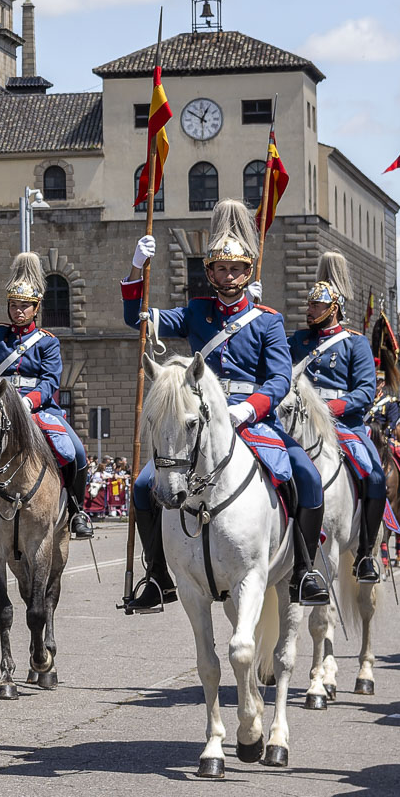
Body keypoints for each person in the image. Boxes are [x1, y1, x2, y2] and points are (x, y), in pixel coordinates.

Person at [121, 200, 331, 612]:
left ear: (248, 271)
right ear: (210, 272)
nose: (229, 276)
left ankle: (304, 570)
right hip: (198, 419)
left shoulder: (266, 320)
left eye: (236, 269)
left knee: (304, 474)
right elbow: (139, 321)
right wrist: (134, 270)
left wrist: (247, 409)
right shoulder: (197, 311)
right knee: (144, 487)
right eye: (221, 268)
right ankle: (158, 575)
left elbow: (278, 380)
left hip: (251, 420)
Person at [0, 252, 96, 539]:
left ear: (36, 308)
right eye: (14, 306)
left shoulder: (48, 342)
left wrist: (29, 401)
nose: (19, 311)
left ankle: (77, 510)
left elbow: (51, 381)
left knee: (71, 449)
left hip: (36, 410)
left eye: (25, 306)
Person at [288, 252, 387, 583]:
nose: (309, 310)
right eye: (310, 305)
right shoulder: (298, 341)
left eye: (316, 306)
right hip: (298, 422)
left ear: (334, 309)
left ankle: (365, 555)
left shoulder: (355, 344)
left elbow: (363, 391)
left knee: (374, 476)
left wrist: (326, 411)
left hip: (344, 425)